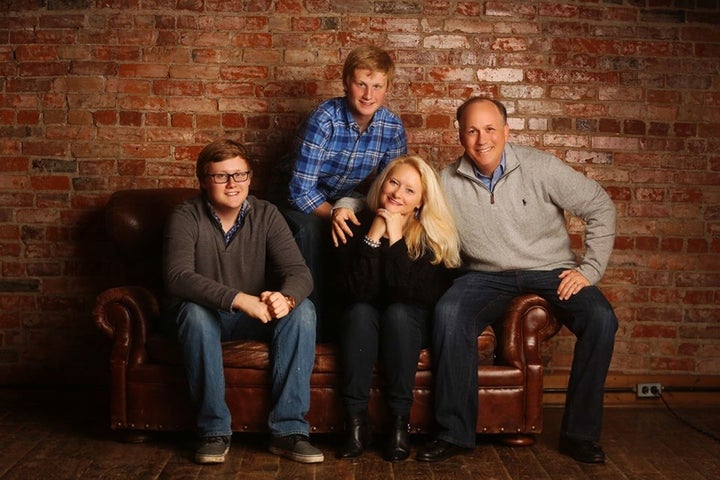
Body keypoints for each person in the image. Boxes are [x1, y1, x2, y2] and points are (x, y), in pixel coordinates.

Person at [415, 97, 618, 464]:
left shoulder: (540, 167)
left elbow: (600, 205)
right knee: (448, 313)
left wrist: (588, 271)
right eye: (472, 130)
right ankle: (455, 433)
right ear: (460, 135)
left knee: (602, 319)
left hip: (550, 270)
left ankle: (579, 434)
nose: (482, 139)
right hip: (484, 275)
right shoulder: (444, 181)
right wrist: (348, 206)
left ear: (507, 131)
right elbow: (398, 194)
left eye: (490, 129)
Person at [162, 139, 324, 465]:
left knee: (303, 310)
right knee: (193, 313)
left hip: (254, 317)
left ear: (250, 178)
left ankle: (288, 431)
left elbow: (298, 272)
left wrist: (286, 298)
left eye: (239, 174)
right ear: (204, 180)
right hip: (206, 318)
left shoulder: (267, 214)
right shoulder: (185, 215)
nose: (232, 184)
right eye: (221, 176)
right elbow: (177, 276)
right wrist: (238, 299)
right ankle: (213, 431)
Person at [332, 155, 461, 462]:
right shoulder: (355, 225)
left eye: (409, 190)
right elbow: (356, 293)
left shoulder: (433, 235)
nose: (397, 194)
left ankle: (399, 425)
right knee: (359, 312)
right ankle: (356, 425)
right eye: (393, 182)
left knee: (399, 313)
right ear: (382, 183)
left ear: (420, 201)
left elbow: (407, 293)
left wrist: (397, 237)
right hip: (365, 324)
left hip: (409, 324)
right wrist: (374, 235)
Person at [277, 45, 408, 332]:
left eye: (377, 86)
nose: (368, 95)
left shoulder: (392, 128)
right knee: (311, 231)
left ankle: (355, 327)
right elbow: (300, 192)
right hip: (293, 197)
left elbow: (388, 189)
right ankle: (314, 327)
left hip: (345, 198)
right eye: (361, 83)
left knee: (368, 230)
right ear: (346, 82)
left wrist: (349, 209)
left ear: (388, 88)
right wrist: (335, 213)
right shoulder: (324, 120)